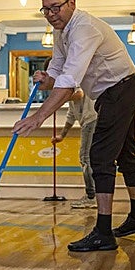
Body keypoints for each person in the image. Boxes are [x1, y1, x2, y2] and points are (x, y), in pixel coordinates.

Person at [12, 0, 135, 252]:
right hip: (114, 91)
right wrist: (46, 79)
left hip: (120, 88)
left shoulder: (84, 29)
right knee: (125, 154)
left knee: (99, 156)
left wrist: (38, 117)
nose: (51, 14)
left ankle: (103, 231)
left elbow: (70, 82)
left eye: (56, 7)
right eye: (46, 10)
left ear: (71, 3)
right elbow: (58, 70)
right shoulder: (61, 32)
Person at [44, 57, 98, 209]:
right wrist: (62, 135)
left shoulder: (71, 76)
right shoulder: (66, 80)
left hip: (92, 120)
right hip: (88, 121)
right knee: (89, 159)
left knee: (85, 158)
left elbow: (79, 94)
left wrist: (57, 99)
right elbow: (71, 113)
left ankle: (91, 196)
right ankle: (93, 195)